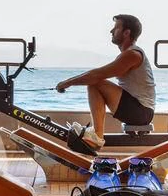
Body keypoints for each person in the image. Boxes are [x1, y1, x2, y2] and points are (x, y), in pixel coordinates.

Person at [55, 14, 155, 149]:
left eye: (116, 28)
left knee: (96, 81)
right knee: (94, 81)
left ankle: (97, 136)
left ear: (127, 33)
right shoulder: (128, 54)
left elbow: (96, 75)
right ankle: (97, 134)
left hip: (141, 112)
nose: (111, 31)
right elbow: (96, 74)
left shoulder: (133, 55)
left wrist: (67, 83)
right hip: (137, 109)